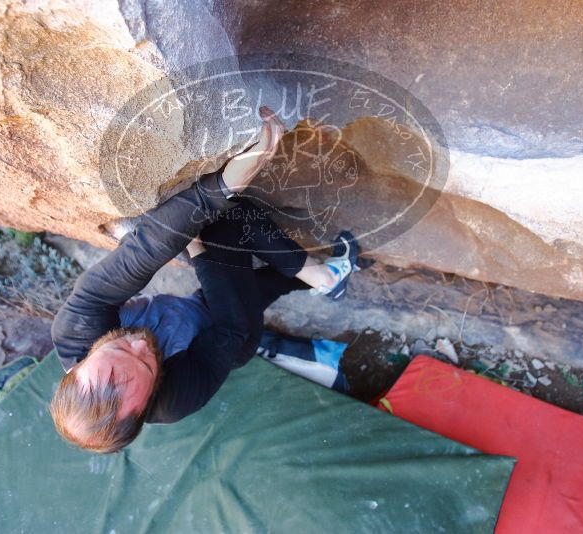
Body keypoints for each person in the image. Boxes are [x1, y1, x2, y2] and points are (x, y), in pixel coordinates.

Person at [49, 106, 359, 453]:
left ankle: (325, 280)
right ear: (148, 401)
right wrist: (199, 240)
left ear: (77, 366)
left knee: (258, 280)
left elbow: (141, 254)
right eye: (148, 363)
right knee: (224, 221)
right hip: (229, 334)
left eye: (119, 345)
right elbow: (231, 326)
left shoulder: (73, 332)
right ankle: (322, 275)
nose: (139, 343)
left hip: (194, 310)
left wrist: (215, 189)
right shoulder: (176, 401)